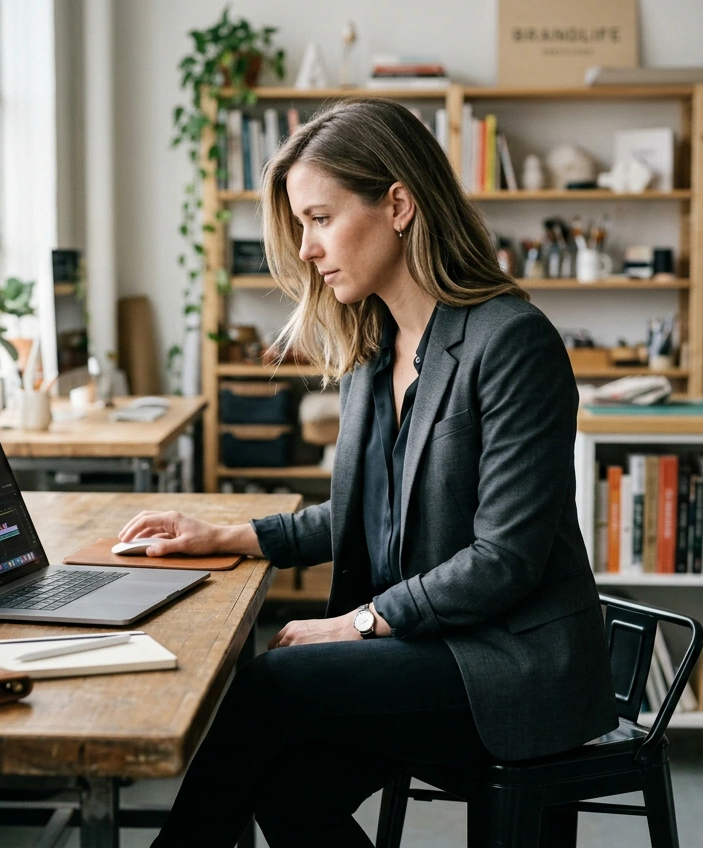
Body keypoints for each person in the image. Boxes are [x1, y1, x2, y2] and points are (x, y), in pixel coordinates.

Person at [120, 100, 618, 847]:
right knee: (280, 776)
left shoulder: (512, 342)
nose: (308, 248)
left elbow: (505, 560)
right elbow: (362, 513)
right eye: (301, 226)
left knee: (270, 686)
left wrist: (355, 625)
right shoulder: (373, 349)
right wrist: (222, 533)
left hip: (510, 661)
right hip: (429, 647)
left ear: (398, 203)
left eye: (320, 219)